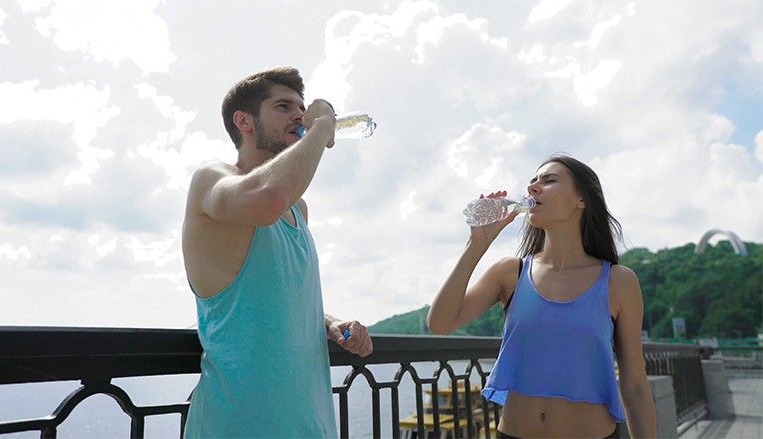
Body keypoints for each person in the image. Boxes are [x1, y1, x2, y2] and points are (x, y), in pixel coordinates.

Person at [181, 67, 373, 438]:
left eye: (302, 107)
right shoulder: (211, 179)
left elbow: (273, 295)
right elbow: (267, 198)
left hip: (311, 426)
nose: (299, 115)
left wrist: (329, 324)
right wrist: (322, 127)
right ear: (244, 122)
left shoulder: (298, 210)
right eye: (283, 107)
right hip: (238, 428)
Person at [426, 154, 656, 438]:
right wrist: (477, 243)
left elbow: (635, 386)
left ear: (581, 199)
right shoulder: (510, 273)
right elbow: (440, 323)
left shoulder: (618, 282)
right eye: (533, 181)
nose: (533, 187)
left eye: (549, 180)